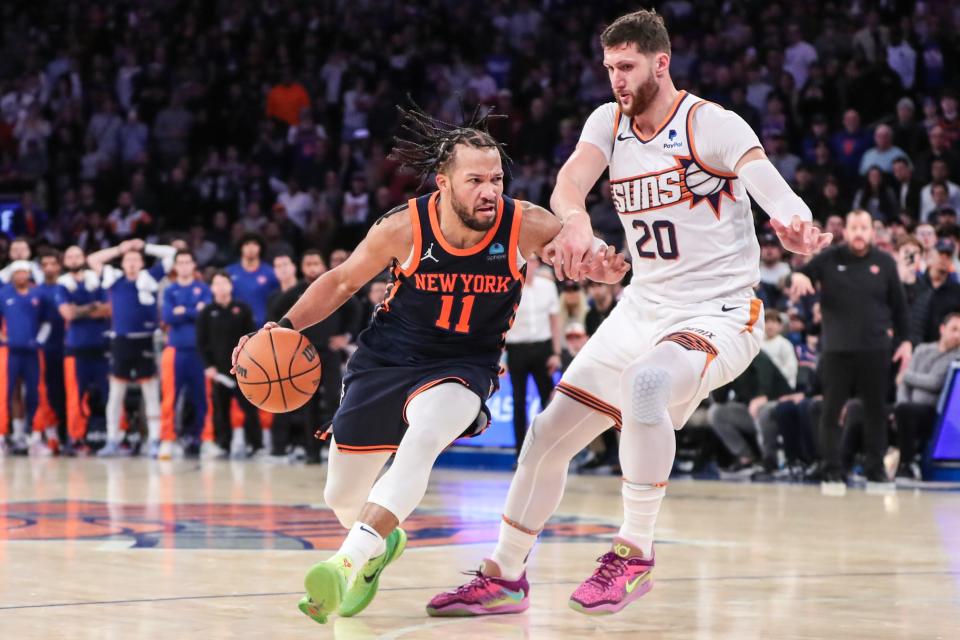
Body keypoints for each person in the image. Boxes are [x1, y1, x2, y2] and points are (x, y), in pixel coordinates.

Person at [430, 9, 829, 617]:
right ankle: (505, 574)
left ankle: (634, 552)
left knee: (645, 388)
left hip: (719, 311)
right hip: (642, 306)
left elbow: (764, 179)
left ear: (660, 61)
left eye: (627, 66)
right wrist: (580, 223)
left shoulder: (709, 123)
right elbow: (569, 184)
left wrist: (794, 218)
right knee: (545, 436)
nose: (616, 78)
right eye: (609, 66)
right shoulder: (607, 121)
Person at [230, 106, 627, 624]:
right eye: (476, 180)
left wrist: (596, 260)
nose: (490, 190)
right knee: (342, 496)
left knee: (422, 440)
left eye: (497, 179)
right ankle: (379, 542)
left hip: (465, 363)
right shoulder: (404, 227)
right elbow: (342, 281)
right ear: (443, 183)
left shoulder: (523, 222)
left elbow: (571, 247)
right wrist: (282, 327)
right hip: (387, 359)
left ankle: (346, 562)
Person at [790, 210, 910, 486]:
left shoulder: (885, 262)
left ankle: (875, 469)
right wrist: (799, 277)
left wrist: (905, 342)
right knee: (831, 411)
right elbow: (800, 274)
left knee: (875, 412)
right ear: (845, 230)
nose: (858, 233)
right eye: (854, 227)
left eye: (864, 228)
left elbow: (900, 309)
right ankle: (831, 469)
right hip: (836, 350)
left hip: (876, 348)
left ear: (872, 232)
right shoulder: (830, 258)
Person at [87, 239, 177, 457]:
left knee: (150, 392)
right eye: (128, 260)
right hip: (121, 341)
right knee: (116, 392)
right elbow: (93, 259)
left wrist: (144, 247)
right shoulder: (114, 279)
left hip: (145, 339)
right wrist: (120, 248)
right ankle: (112, 439)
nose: (132, 263)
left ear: (142, 263)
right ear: (123, 263)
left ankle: (155, 439)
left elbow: (171, 253)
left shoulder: (150, 277)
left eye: (136, 260)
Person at [267, 249, 357, 463]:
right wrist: (286, 341)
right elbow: (275, 312)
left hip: (330, 351)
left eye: (316, 263)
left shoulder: (331, 286)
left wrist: (345, 336)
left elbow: (355, 309)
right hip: (303, 356)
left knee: (335, 399)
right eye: (308, 263)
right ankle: (312, 451)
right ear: (302, 268)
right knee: (308, 404)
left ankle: (336, 448)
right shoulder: (295, 292)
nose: (312, 267)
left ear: (323, 265)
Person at [197, 272, 261, 458]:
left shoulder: (242, 309)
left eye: (224, 283)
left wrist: (250, 364)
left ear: (230, 286)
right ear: (212, 288)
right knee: (220, 408)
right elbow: (202, 342)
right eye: (217, 283)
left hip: (243, 369)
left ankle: (255, 445)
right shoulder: (207, 312)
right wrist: (209, 366)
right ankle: (223, 445)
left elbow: (252, 338)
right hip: (219, 371)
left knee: (249, 407)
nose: (221, 287)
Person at [504, 255, 562, 459]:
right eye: (526, 260)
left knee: (549, 399)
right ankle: (520, 453)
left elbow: (555, 321)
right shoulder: (510, 286)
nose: (530, 264)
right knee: (518, 402)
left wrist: (556, 353)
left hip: (542, 349)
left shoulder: (547, 286)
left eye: (534, 260)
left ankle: (552, 450)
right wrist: (501, 357)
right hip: (516, 349)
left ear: (538, 263)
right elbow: (502, 322)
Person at [56, 245, 111, 451]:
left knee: (111, 395)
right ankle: (76, 438)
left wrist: (80, 309)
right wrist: (91, 307)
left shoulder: (96, 279)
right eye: (69, 256)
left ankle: (118, 436)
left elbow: (107, 310)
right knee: (75, 397)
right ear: (64, 261)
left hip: (101, 347)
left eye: (77, 255)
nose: (73, 259)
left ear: (84, 257)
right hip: (75, 349)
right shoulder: (62, 285)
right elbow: (67, 314)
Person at [160, 250, 212, 457]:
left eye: (187, 262)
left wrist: (182, 311)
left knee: (203, 398)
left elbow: (205, 315)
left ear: (193, 265)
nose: (183, 266)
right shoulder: (170, 290)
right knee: (170, 399)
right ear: (175, 267)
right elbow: (167, 317)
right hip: (175, 350)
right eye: (179, 263)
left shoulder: (203, 288)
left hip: (200, 353)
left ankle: (206, 439)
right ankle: (168, 440)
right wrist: (193, 310)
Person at [0, 262, 53, 455]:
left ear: (29, 274)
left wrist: (39, 340)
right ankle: (3, 437)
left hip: (32, 352)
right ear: (12, 275)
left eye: (24, 272)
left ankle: (36, 437)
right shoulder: (4, 294)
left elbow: (47, 322)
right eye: (17, 273)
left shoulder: (38, 294)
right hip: (9, 351)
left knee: (36, 393)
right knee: (4, 393)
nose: (21, 276)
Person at [226, 233, 279, 327]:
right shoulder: (229, 272)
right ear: (240, 248)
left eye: (255, 244)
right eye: (246, 244)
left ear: (260, 247)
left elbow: (277, 300)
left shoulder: (271, 273)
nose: (251, 247)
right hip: (234, 326)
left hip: (263, 326)